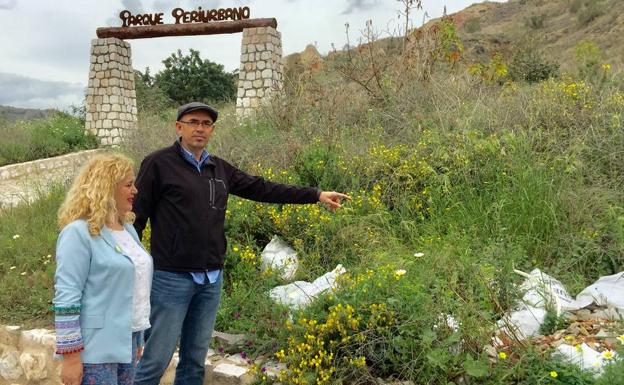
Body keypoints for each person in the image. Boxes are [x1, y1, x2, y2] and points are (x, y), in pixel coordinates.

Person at [132, 102, 350, 385]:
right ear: (179, 127)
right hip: (172, 278)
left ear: (212, 130)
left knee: (194, 362)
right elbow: (136, 217)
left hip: (211, 279)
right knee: (155, 361)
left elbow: (263, 188)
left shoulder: (218, 168)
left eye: (206, 124)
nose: (200, 128)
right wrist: (132, 269)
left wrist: (316, 194)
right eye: (193, 122)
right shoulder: (158, 163)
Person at [53, 153, 153, 385]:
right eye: (128, 185)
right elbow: (67, 297)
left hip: (128, 343)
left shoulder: (128, 230)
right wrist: (70, 357)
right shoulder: (77, 233)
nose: (135, 190)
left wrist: (138, 340)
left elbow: (134, 287)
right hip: (94, 349)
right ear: (107, 188)